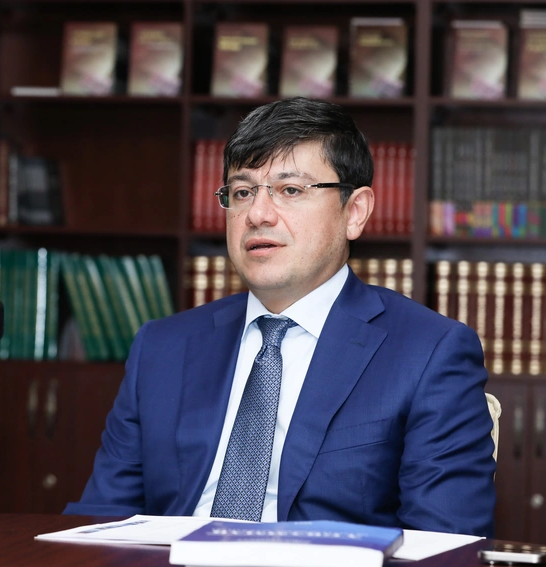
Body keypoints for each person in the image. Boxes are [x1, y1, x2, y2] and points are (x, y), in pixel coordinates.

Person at [64, 97, 496, 537]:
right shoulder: (162, 346)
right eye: (242, 192)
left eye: (290, 190)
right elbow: (99, 524)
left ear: (354, 212)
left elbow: (445, 544)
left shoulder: (428, 352)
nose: (257, 214)